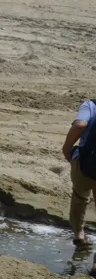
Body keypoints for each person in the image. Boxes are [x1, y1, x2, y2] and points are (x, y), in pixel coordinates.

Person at [62, 99, 96, 247]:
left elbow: (80, 125)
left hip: (85, 162)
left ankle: (79, 234)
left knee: (79, 196)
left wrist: (67, 148)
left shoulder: (91, 105)